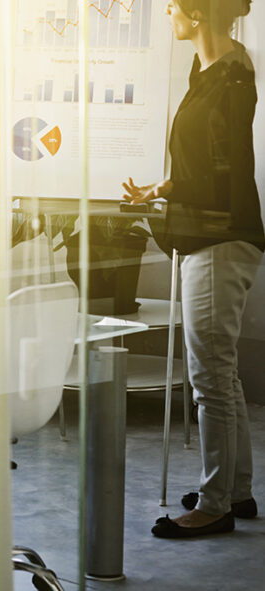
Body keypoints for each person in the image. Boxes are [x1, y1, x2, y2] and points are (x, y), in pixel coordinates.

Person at [122, 0, 264, 538]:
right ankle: (238, 490)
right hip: (213, 233)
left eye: (172, 7)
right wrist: (163, 188)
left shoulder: (231, 75)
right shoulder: (208, 70)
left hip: (222, 239)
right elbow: (205, 162)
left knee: (209, 378)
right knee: (221, 372)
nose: (166, 15)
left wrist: (176, 202)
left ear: (197, 14)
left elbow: (227, 175)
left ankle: (214, 504)